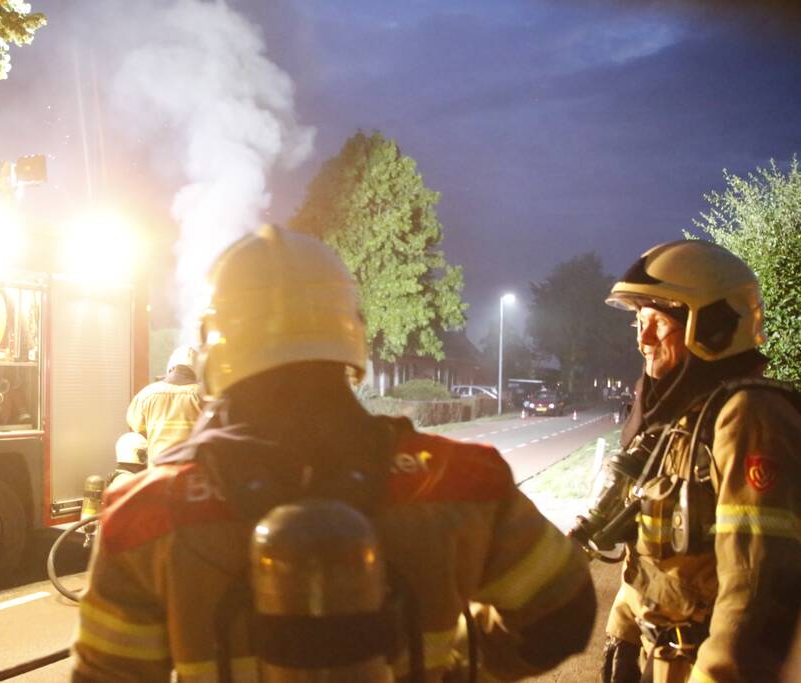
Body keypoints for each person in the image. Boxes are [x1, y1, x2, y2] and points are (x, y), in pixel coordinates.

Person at [72, 225, 595, 682]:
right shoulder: (463, 481)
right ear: (350, 334)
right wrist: (459, 667)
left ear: (216, 344)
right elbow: (564, 613)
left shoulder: (143, 515)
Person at [573, 240, 801, 682]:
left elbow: (752, 589)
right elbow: (655, 553)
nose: (643, 340)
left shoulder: (749, 417)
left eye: (657, 322)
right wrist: (623, 627)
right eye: (639, 322)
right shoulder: (683, 421)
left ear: (713, 327)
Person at [125, 344, 203, 465]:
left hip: (158, 474)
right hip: (192, 475)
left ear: (171, 369)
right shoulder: (204, 396)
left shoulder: (146, 394)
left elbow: (139, 431)